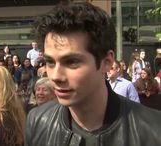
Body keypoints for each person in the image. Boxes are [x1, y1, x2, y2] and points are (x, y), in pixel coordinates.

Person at [24, 3, 161, 146]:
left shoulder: (154, 131)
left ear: (107, 62)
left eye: (71, 62)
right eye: (50, 62)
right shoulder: (37, 122)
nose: (56, 76)